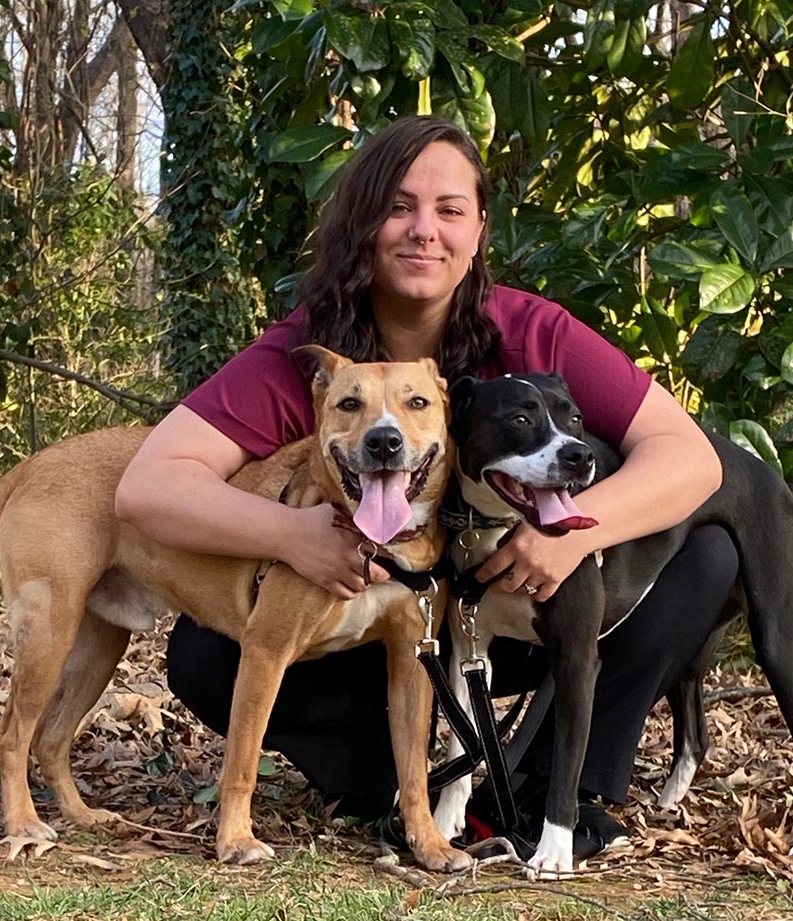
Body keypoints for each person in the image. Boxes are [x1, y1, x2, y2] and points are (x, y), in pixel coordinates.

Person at [114, 115, 737, 853]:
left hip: (506, 609)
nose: (423, 231)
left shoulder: (530, 329)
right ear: (364, 221)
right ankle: (386, 783)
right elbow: (148, 486)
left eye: (449, 210)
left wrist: (569, 534)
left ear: (478, 229)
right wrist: (292, 535)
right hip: (369, 623)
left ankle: (554, 787)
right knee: (206, 653)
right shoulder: (307, 354)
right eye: (399, 206)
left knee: (706, 557)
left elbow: (692, 459)